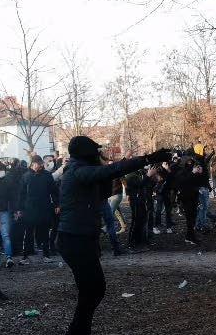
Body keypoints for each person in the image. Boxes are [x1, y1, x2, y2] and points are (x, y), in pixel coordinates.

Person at [57, 135, 169, 335]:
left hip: (82, 238)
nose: (100, 155)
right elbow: (111, 170)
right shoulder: (77, 171)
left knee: (93, 290)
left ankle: (79, 331)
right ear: (87, 153)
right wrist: (146, 159)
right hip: (74, 239)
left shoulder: (81, 172)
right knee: (92, 290)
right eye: (96, 152)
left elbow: (104, 187)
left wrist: (107, 171)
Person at [18, 155, 59, 263]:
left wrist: (57, 204)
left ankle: (46, 255)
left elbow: (54, 191)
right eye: (38, 164)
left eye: (41, 164)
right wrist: (20, 209)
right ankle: (25, 256)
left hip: (44, 208)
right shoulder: (25, 176)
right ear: (32, 164)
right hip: (29, 209)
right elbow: (21, 194)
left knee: (45, 232)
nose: (40, 166)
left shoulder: (47, 175)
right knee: (28, 233)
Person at [174, 152, 203, 245]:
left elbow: (197, 182)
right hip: (186, 198)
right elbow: (183, 182)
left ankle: (190, 236)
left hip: (194, 196)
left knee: (193, 217)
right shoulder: (181, 172)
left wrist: (199, 173)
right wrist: (193, 173)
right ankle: (190, 236)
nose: (190, 164)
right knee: (190, 219)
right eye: (189, 162)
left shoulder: (190, 171)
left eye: (191, 162)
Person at [0, 161, 17, 267]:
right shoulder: (7, 180)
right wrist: (15, 210)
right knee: (6, 236)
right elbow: (12, 197)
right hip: (5, 210)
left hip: (3, 210)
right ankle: (9, 257)